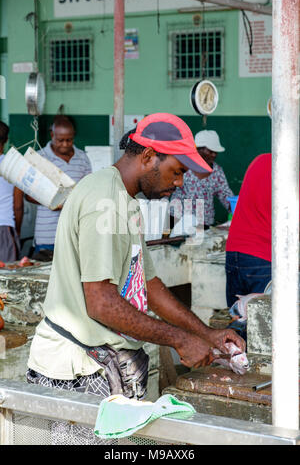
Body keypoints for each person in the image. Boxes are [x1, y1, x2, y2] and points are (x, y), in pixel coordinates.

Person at [27, 113, 245, 444]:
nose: (180, 183)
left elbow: (150, 286)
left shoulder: (125, 202)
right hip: (75, 369)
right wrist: (179, 339)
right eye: (177, 171)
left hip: (99, 362)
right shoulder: (105, 199)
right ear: (147, 156)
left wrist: (207, 334)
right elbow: (100, 302)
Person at [30, 115, 92, 256]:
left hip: (75, 231)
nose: (65, 144)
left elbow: (88, 189)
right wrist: (52, 201)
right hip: (47, 234)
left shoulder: (82, 157)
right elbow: (29, 195)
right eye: (60, 140)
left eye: (69, 140)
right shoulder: (41, 157)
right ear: (52, 135)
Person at [225, 153, 272, 309]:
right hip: (264, 257)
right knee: (264, 326)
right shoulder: (291, 171)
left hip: (234, 253)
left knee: (237, 321)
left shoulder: (259, 160)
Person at [170, 130, 234, 229]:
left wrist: (235, 208)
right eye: (210, 151)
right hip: (178, 223)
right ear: (197, 150)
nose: (214, 155)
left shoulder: (217, 171)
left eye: (215, 152)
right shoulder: (182, 166)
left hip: (204, 225)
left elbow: (225, 194)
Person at [0, 121, 23, 262]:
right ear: (7, 140)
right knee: (6, 278)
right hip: (5, 227)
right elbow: (18, 206)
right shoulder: (15, 167)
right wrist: (17, 231)